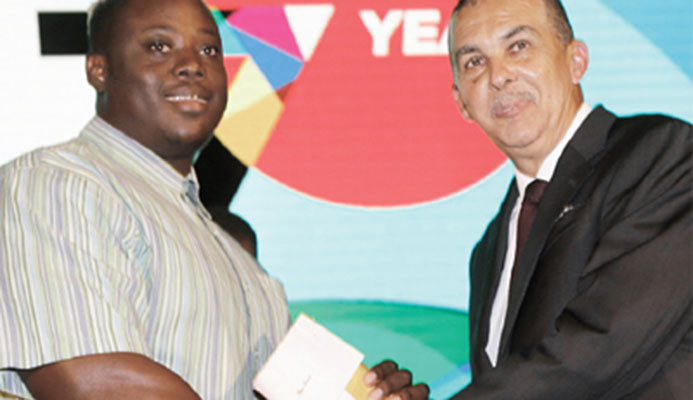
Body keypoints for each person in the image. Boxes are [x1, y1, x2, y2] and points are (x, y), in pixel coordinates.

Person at [0, 0, 427, 399]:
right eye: (158, 46)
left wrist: (361, 391)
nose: (191, 65)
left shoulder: (235, 258)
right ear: (99, 70)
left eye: (209, 49)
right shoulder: (54, 184)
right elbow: (95, 381)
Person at [446, 0, 691, 398]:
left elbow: (600, 349)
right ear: (461, 102)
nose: (499, 76)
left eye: (519, 46)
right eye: (474, 61)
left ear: (576, 60)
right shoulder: (489, 249)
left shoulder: (662, 157)